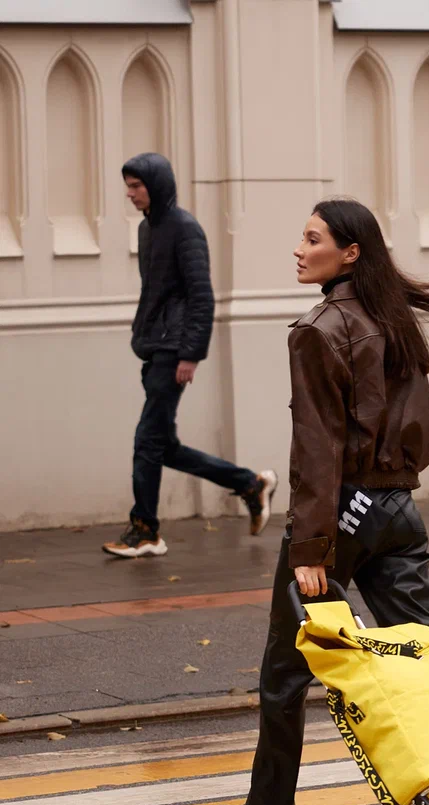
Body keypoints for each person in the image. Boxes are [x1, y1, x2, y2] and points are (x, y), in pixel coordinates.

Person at [211, 198, 429, 805]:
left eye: (312, 239)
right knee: (428, 658)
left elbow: (317, 448)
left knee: (285, 671)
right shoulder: (393, 320)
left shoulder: (318, 330)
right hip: (397, 508)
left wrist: (310, 548)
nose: (300, 250)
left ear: (349, 252)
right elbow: (423, 424)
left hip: (340, 517)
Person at [103, 153, 277, 558]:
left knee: (147, 441)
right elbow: (155, 292)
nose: (129, 194)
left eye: (136, 186)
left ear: (156, 185)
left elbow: (202, 296)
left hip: (173, 349)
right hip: (155, 345)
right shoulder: (148, 230)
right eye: (127, 186)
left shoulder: (185, 229)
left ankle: (145, 530)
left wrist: (190, 354)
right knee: (164, 447)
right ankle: (251, 484)